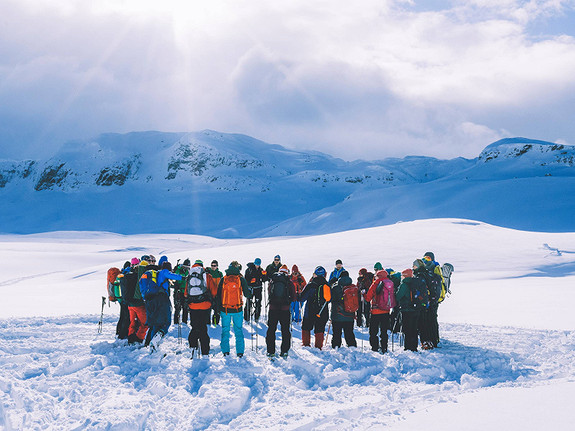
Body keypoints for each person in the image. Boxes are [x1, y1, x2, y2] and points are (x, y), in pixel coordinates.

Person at [144, 258, 182, 350]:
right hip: (162, 299)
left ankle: (152, 344)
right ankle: (158, 337)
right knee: (166, 322)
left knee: (156, 323)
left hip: (153, 299)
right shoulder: (164, 272)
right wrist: (183, 276)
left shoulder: (156, 274)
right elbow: (176, 277)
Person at [216, 262, 251, 357]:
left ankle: (225, 351)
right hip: (237, 309)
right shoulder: (240, 279)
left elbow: (218, 295)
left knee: (225, 330)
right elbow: (247, 294)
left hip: (225, 309)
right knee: (238, 330)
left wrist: (218, 309)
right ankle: (240, 352)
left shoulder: (224, 279)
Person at [266, 265, 296, 358]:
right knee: (285, 330)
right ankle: (284, 351)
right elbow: (294, 297)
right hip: (285, 309)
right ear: (287, 272)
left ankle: (271, 351)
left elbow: (269, 292)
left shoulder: (273, 280)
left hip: (273, 309)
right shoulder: (289, 281)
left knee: (271, 329)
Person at [364, 269, 396, 353]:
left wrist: (363, 293)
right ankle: (384, 347)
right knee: (384, 331)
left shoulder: (375, 283)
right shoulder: (389, 283)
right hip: (386, 311)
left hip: (375, 311)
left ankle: (375, 347)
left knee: (373, 331)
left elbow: (368, 298)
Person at [186, 259, 213, 356]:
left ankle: (193, 346)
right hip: (205, 305)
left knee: (195, 326)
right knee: (203, 327)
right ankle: (205, 350)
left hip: (193, 306)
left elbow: (186, 292)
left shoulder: (189, 276)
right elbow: (213, 290)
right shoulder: (207, 275)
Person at [300, 266, 331, 349]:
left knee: (306, 327)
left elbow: (302, 298)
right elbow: (329, 299)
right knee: (320, 329)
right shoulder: (327, 285)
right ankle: (318, 346)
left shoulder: (311, 285)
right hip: (322, 311)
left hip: (310, 311)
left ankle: (306, 344)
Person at [395, 268, 425, 352]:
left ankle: (408, 347)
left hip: (406, 310)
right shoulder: (416, 282)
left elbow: (398, 297)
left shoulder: (404, 284)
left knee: (407, 329)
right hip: (416, 309)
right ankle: (414, 347)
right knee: (414, 329)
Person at [330, 271, 357, 348]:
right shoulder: (353, 287)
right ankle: (352, 346)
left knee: (337, 334)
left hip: (337, 315)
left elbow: (330, 298)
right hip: (350, 315)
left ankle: (336, 346)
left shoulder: (335, 287)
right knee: (349, 333)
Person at [413, 258, 432, 349]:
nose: (413, 268)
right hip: (425, 302)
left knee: (421, 324)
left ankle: (425, 342)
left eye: (414, 266)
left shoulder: (419, 275)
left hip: (420, 302)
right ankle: (428, 341)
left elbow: (418, 289)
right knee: (424, 323)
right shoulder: (426, 273)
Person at [244, 258, 265, 322]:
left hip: (258, 289)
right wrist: (250, 281)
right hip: (251, 288)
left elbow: (264, 280)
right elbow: (245, 280)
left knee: (258, 303)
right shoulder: (249, 270)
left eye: (258, 264)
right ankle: (246, 317)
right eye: (256, 264)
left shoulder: (261, 270)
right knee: (248, 303)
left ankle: (257, 317)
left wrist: (264, 275)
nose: (257, 265)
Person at [172, 258, 190, 325]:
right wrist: (179, 268)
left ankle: (184, 322)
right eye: (185, 266)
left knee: (185, 308)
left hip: (185, 292)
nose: (186, 268)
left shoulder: (188, 271)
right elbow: (176, 274)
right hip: (178, 291)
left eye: (187, 267)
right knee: (177, 307)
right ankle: (176, 322)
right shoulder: (179, 270)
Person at [206, 260, 223, 325]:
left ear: (217, 266)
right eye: (212, 265)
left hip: (217, 294)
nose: (213, 267)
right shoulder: (208, 272)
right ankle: (208, 323)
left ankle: (215, 322)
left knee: (217, 310)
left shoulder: (219, 273)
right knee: (208, 309)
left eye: (214, 266)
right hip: (209, 294)